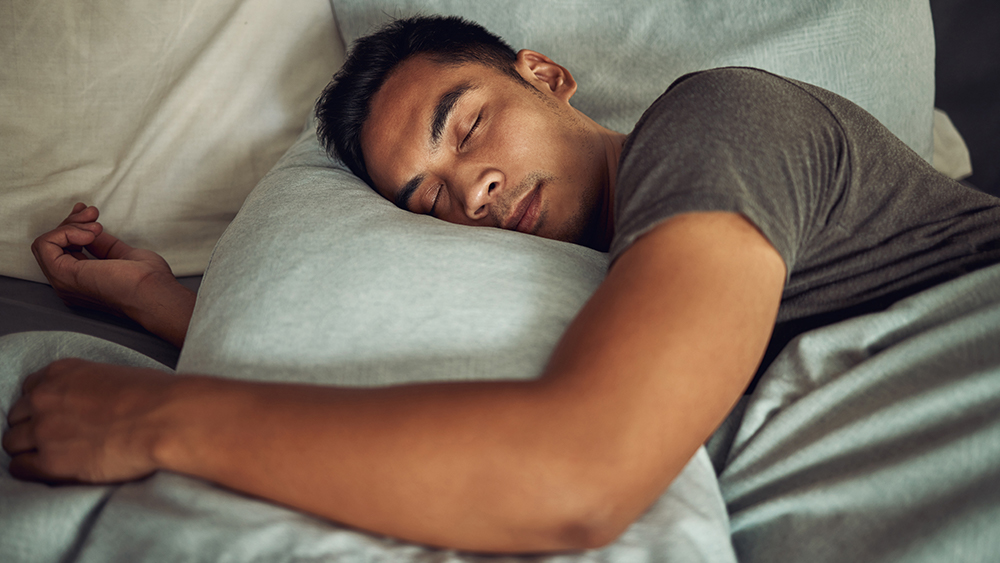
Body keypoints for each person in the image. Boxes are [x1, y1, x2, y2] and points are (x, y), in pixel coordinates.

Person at [4, 15, 1000, 554]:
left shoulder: (711, 123)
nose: (471, 189)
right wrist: (173, 308)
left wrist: (159, 418)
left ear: (547, 76)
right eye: (427, 196)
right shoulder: (599, 265)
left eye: (470, 123)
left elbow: (580, 476)